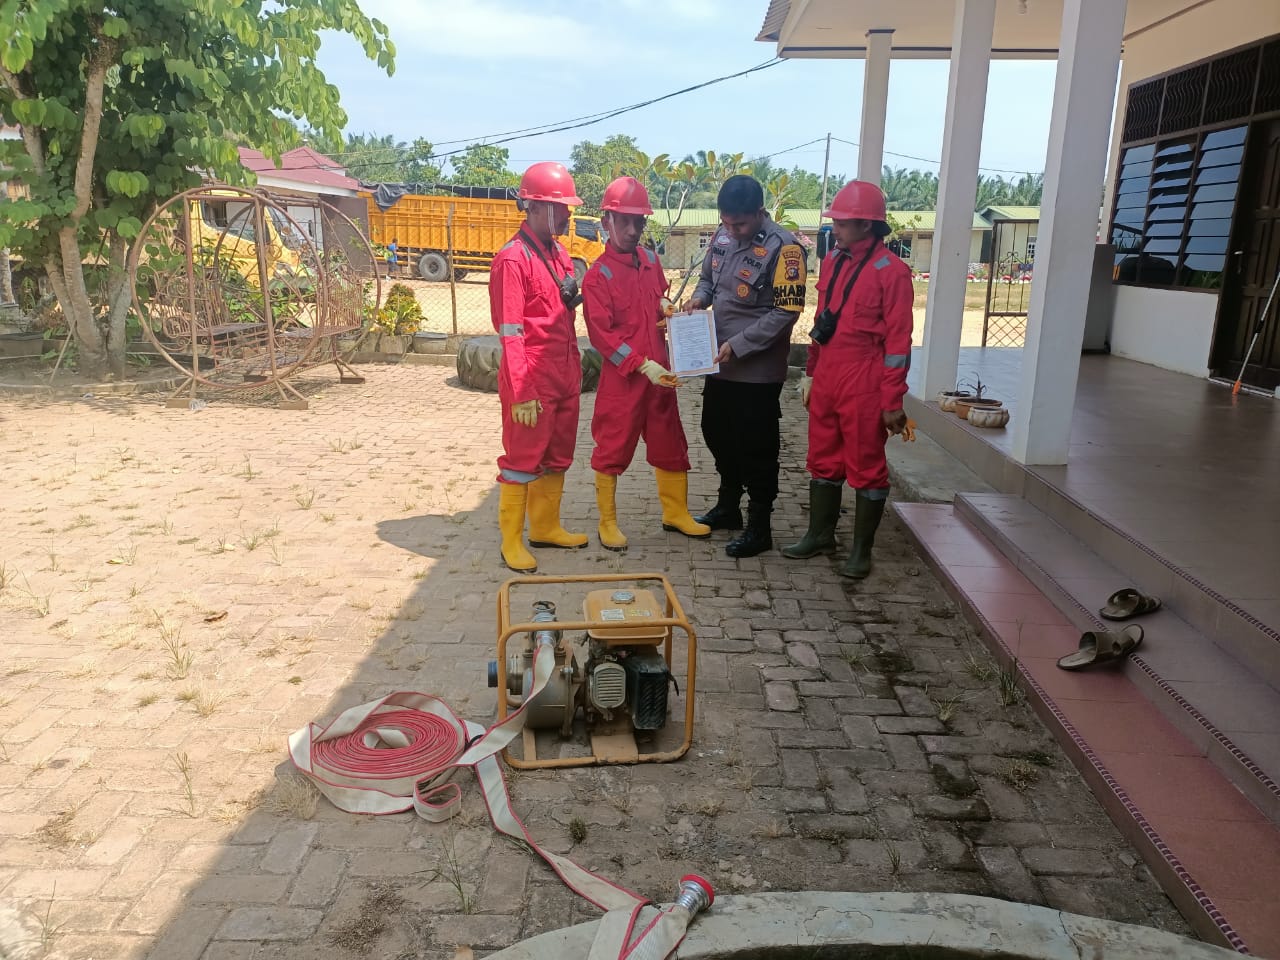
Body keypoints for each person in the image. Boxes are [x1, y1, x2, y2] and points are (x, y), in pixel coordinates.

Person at [783, 180, 913, 579]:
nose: (834, 229)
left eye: (841, 223)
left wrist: (892, 401)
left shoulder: (893, 274)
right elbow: (823, 323)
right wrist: (811, 373)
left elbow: (898, 343)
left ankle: (861, 550)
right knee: (823, 459)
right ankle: (820, 535)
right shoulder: (834, 263)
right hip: (829, 377)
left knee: (866, 465)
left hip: (865, 380)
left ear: (866, 226)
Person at [582, 176, 710, 551]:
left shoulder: (651, 261)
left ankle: (676, 513)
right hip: (624, 381)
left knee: (671, 441)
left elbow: (654, 300)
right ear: (607, 220)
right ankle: (607, 522)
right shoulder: (596, 278)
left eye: (639, 221)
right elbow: (603, 338)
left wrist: (665, 307)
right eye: (625, 220)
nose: (633, 229)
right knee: (612, 448)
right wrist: (641, 365)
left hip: (662, 375)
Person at [684, 175, 807, 558]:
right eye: (727, 223)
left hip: (756, 370)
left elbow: (786, 312)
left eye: (740, 224)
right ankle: (728, 508)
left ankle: (759, 525)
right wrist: (697, 301)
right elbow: (708, 280)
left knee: (757, 447)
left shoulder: (786, 249)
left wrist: (738, 345)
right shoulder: (721, 237)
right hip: (717, 364)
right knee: (716, 433)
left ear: (759, 212)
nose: (732, 231)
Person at [489, 161, 588, 573]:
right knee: (522, 459)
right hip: (530, 377)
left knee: (558, 456)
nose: (568, 214)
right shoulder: (513, 260)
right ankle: (511, 541)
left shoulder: (559, 253)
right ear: (534, 207)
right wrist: (522, 390)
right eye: (561, 207)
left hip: (564, 372)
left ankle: (545, 527)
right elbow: (510, 332)